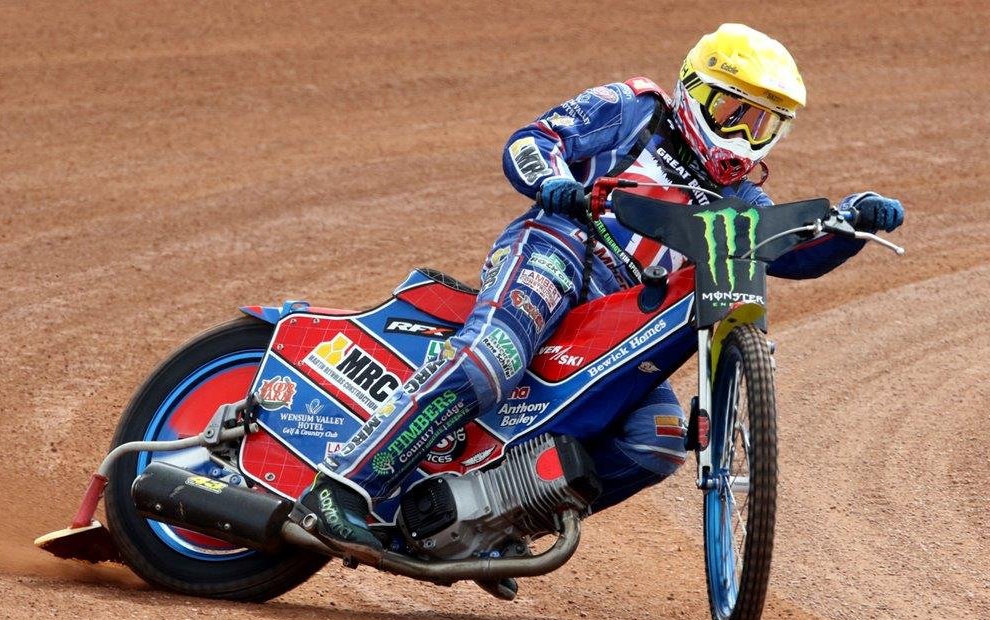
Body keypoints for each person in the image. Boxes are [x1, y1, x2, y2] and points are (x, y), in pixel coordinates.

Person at [297, 23, 904, 552]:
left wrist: (852, 221)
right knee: (492, 359)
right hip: (558, 249)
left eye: (763, 123)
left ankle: (493, 526)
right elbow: (533, 140)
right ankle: (342, 486)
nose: (744, 135)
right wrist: (553, 182)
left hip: (622, 317)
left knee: (657, 439)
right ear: (695, 91)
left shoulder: (741, 197)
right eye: (733, 112)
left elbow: (790, 254)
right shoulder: (634, 107)